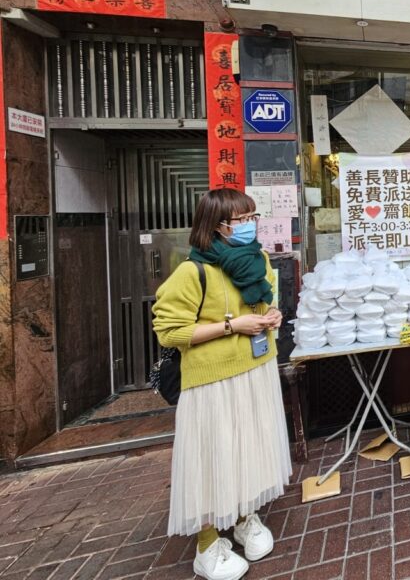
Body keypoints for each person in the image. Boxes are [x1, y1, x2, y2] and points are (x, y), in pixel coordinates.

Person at [153, 189, 292, 580]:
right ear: (217, 226)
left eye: (253, 217)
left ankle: (246, 516)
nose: (250, 225)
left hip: (255, 369)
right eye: (242, 220)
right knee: (212, 454)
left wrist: (271, 315)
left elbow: (263, 305)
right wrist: (232, 326)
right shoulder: (193, 271)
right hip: (212, 380)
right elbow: (168, 330)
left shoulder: (257, 259)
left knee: (250, 445)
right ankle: (208, 543)